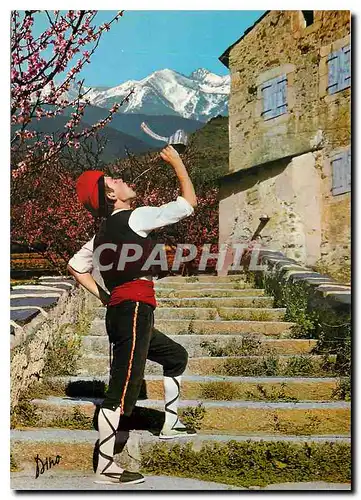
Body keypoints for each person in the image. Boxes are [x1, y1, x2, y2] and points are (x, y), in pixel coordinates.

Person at [67, 145, 197, 485]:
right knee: (123, 391)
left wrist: (106, 297)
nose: (122, 179)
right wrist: (177, 163)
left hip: (126, 311)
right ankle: (106, 468)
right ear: (111, 194)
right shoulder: (134, 217)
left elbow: (75, 267)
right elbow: (188, 205)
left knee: (176, 356)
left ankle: (170, 423)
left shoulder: (98, 236)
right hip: (134, 310)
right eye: (114, 179)